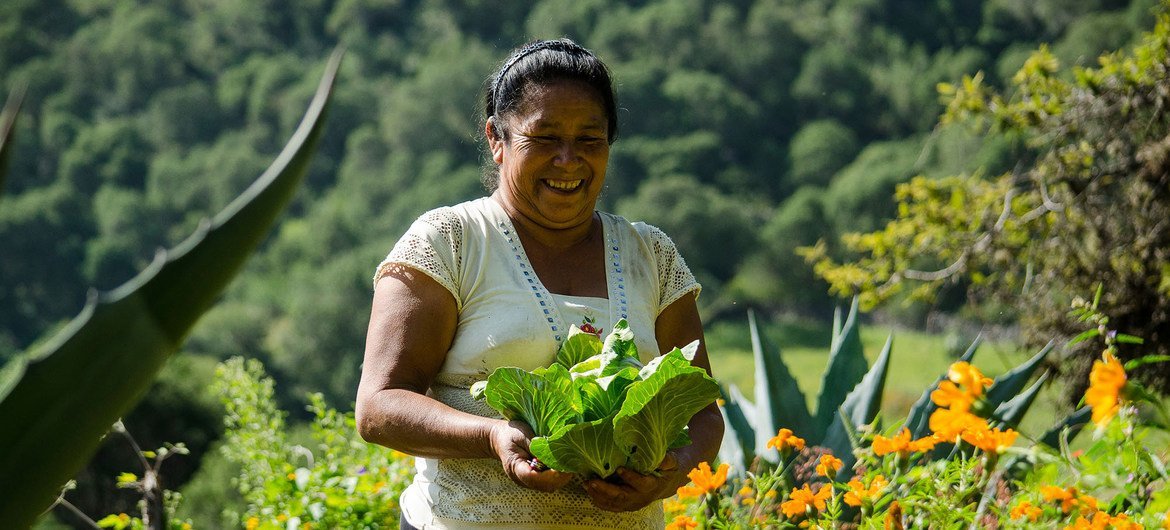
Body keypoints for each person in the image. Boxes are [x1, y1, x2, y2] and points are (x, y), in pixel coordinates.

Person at [355, 38, 724, 530]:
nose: (568, 160)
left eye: (590, 140)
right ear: (496, 138)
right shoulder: (450, 243)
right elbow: (379, 406)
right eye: (544, 138)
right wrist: (491, 436)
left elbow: (701, 411)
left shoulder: (649, 255)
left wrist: (670, 472)